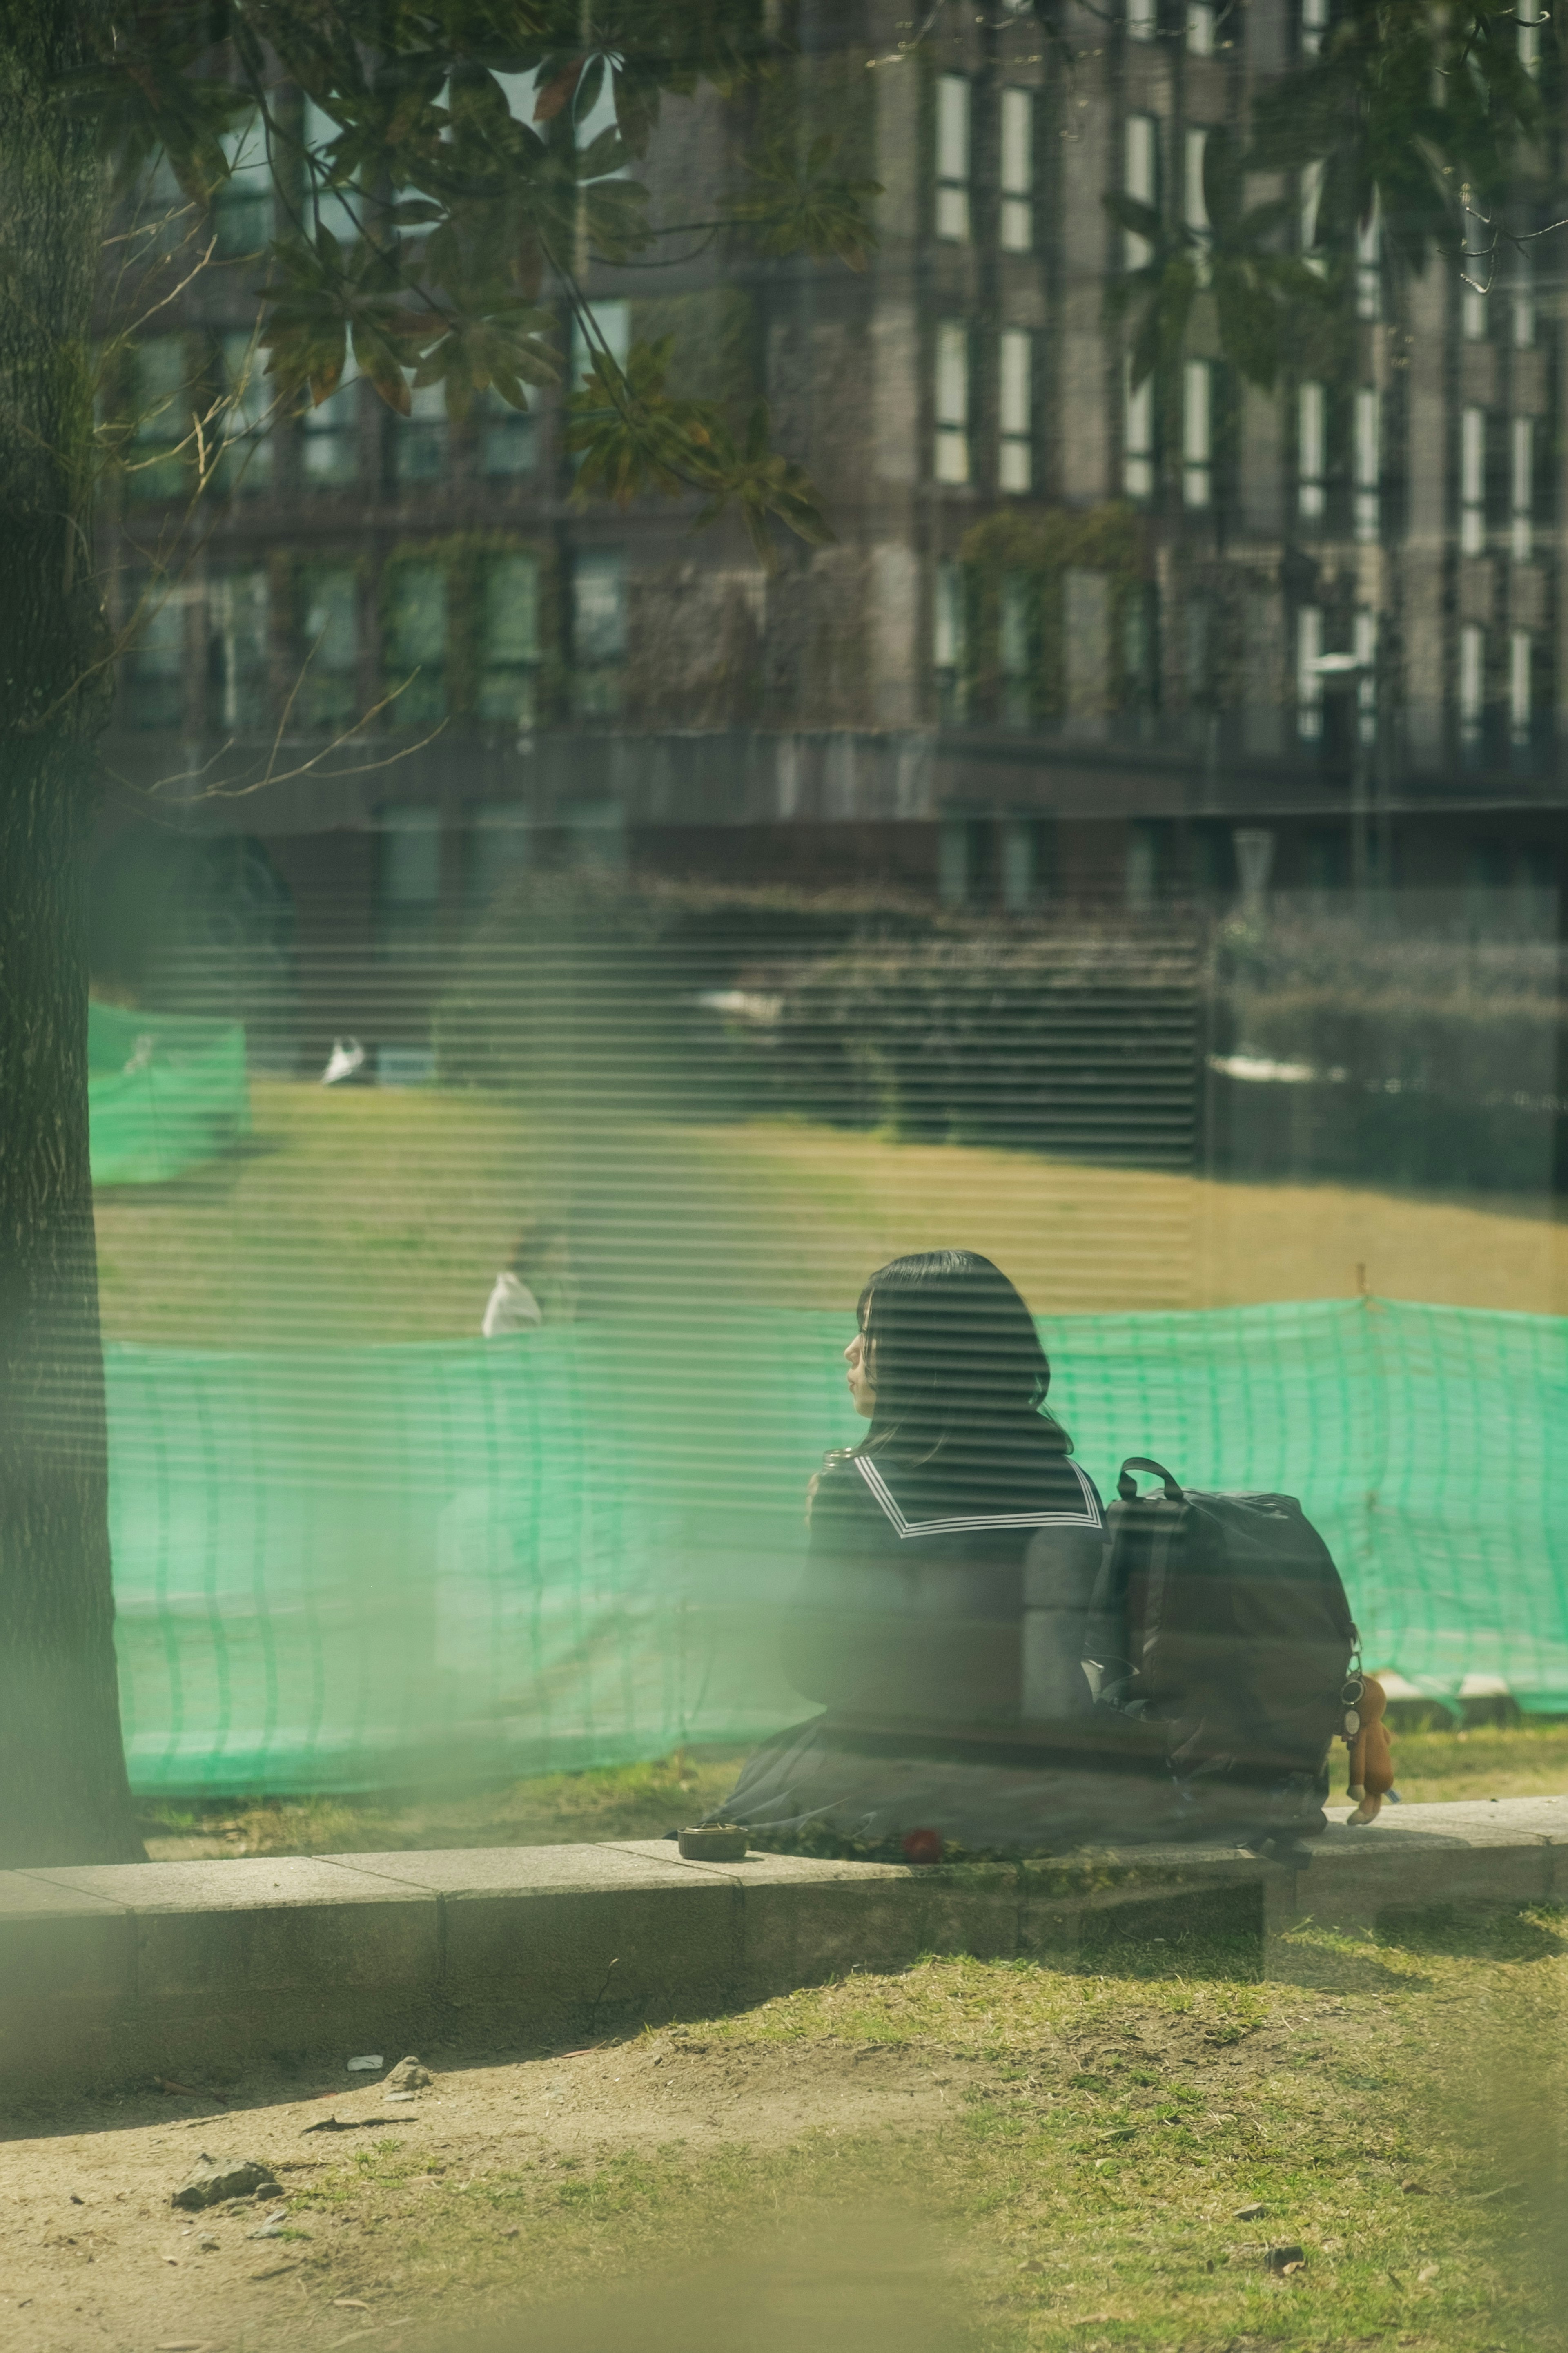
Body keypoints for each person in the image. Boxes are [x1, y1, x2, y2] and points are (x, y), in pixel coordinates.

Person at [709, 1249, 1153, 1858]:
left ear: (916, 1353)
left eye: (868, 1332)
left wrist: (822, 1528)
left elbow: (815, 1669)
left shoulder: (861, 1483)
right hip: (1065, 1770)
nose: (851, 1351)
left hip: (906, 1779)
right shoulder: (1074, 1481)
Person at [481, 1221, 576, 1337]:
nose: (565, 1258)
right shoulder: (505, 1298)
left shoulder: (565, 1289)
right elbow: (498, 1349)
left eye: (566, 1250)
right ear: (536, 1254)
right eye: (557, 1251)